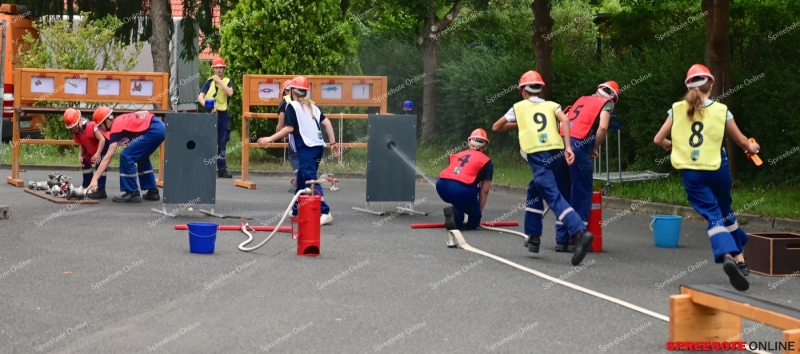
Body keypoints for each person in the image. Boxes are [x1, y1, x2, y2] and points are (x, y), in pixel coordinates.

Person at [653, 64, 758, 291]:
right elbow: (742, 142)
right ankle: (740, 261)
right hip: (718, 169)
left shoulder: (676, 109)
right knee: (724, 210)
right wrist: (754, 147)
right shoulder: (721, 110)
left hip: (692, 173)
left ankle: (726, 256)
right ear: (711, 84)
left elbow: (658, 139)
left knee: (713, 215)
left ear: (688, 86)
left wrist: (671, 144)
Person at [492, 70, 595, 266]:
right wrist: (567, 148)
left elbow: (496, 127)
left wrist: (521, 123)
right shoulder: (551, 105)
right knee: (535, 188)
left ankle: (579, 232)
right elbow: (565, 120)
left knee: (553, 195)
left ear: (523, 90)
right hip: (555, 153)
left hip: (538, 155)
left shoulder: (519, 108)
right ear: (540, 89)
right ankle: (533, 235)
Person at [257, 76, 341, 225]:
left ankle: (325, 211)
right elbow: (327, 123)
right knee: (303, 178)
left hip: (306, 147)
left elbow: (289, 128)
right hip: (317, 147)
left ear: (291, 91)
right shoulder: (313, 107)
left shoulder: (292, 107)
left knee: (309, 179)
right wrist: (333, 143)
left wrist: (269, 139)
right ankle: (297, 209)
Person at [554, 81, 619, 252]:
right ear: (613, 97)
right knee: (581, 192)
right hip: (578, 145)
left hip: (560, 143)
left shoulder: (583, 99)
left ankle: (561, 240)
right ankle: (577, 239)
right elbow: (603, 127)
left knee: (563, 192)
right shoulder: (606, 103)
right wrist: (595, 147)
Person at [87, 106, 165, 203]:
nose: (100, 130)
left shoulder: (115, 128)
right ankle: (153, 191)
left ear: (107, 121)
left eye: (100, 126)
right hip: (159, 126)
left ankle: (132, 192)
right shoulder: (120, 119)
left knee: (126, 156)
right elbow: (145, 112)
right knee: (142, 158)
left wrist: (94, 179)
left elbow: (108, 157)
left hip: (152, 130)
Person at [437, 129, 494, 247]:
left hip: (441, 185)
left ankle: (457, 211)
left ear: (469, 142)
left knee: (460, 200)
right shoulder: (487, 162)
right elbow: (485, 191)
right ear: (486, 146)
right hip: (460, 190)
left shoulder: (457, 155)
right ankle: (457, 217)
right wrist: (478, 212)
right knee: (474, 221)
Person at [276, 79, 316, 192]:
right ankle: (310, 183)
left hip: (296, 136)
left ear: (285, 91)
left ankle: (301, 181)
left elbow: (281, 123)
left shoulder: (285, 102)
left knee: (294, 156)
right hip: (311, 137)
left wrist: (278, 134)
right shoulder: (308, 101)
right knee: (304, 158)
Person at [197, 57, 235, 178]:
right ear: (213, 69)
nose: (219, 70)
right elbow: (200, 97)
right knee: (209, 141)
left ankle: (222, 169)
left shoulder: (228, 81)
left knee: (222, 142)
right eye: (216, 68)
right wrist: (208, 106)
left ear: (224, 69)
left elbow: (230, 93)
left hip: (223, 114)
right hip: (211, 115)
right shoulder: (208, 82)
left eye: (221, 68)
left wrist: (220, 81)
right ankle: (207, 168)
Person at [63, 108, 109, 199]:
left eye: (75, 126)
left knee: (100, 165)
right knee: (85, 162)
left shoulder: (91, 126)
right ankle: (87, 186)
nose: (74, 129)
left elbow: (102, 139)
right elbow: (82, 144)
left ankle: (101, 190)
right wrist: (80, 155)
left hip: (102, 147)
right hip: (92, 150)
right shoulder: (77, 132)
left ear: (80, 120)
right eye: (72, 128)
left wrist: (98, 153)